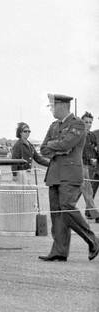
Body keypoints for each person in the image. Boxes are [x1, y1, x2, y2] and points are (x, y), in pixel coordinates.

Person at [36, 94, 97, 262]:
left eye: (53, 106)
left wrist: (56, 146)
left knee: (67, 207)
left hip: (70, 175)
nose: (51, 110)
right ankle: (59, 251)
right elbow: (43, 149)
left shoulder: (77, 124)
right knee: (57, 213)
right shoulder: (54, 125)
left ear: (62, 106)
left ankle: (92, 239)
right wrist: (58, 147)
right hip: (55, 174)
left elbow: (66, 145)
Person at [81, 112, 98, 221]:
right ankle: (95, 214)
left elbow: (94, 150)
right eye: (86, 122)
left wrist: (94, 158)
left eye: (90, 122)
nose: (88, 124)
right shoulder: (78, 135)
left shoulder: (92, 136)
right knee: (86, 190)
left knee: (87, 191)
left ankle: (92, 213)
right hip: (78, 166)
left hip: (88, 167)